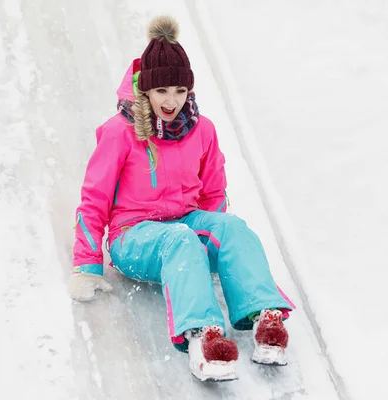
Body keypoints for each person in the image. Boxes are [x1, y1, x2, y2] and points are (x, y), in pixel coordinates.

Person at [67, 15, 295, 382]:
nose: (171, 101)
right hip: (133, 234)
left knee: (232, 227)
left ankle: (265, 316)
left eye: (179, 91)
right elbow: (94, 199)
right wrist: (87, 263)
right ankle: (203, 335)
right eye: (161, 92)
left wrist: (217, 249)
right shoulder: (120, 134)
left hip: (185, 221)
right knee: (180, 239)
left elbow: (213, 192)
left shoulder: (202, 130)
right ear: (146, 91)